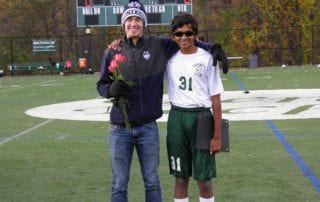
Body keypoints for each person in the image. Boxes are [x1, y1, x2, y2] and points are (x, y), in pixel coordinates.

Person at [96, 1, 228, 201]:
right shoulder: (113, 51)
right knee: (120, 185)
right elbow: (101, 85)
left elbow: (186, 39)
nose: (134, 23)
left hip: (150, 127)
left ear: (144, 24)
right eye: (129, 19)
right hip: (120, 128)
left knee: (155, 182)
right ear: (123, 24)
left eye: (138, 19)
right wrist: (110, 90)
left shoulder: (158, 45)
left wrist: (212, 47)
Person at [166, 13, 224, 202]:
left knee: (204, 179)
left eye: (188, 33)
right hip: (177, 117)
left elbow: (215, 99)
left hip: (202, 118)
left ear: (195, 34)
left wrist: (218, 136)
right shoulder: (169, 56)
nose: (184, 37)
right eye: (179, 34)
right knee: (180, 178)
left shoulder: (208, 58)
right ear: (173, 35)